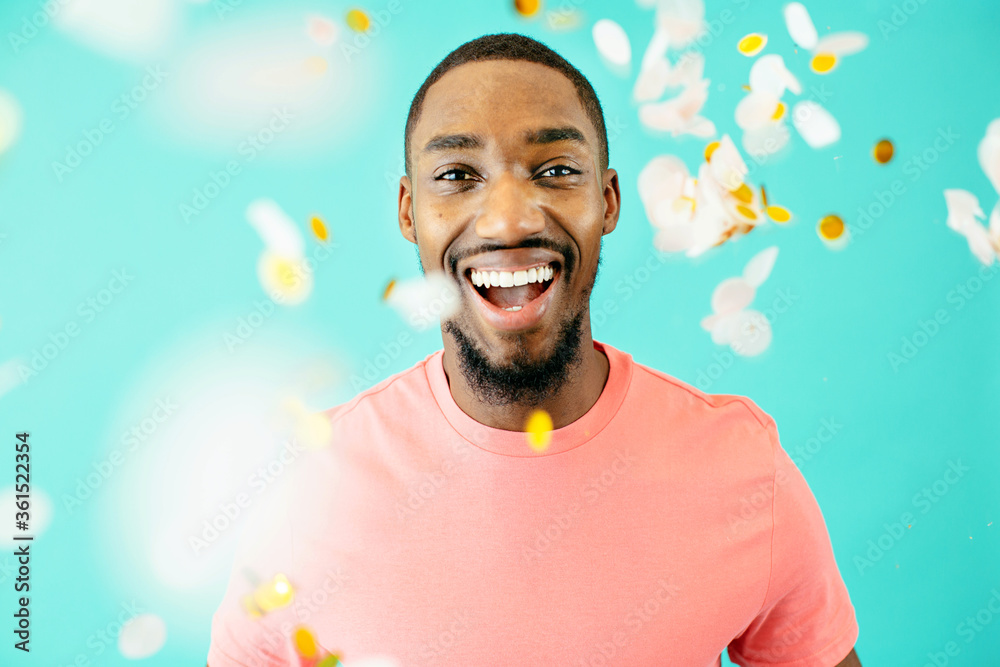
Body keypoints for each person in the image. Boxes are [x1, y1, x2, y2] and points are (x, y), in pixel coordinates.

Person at [207, 32, 862, 666]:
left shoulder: (744, 468)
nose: (509, 218)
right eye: (458, 174)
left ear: (606, 201)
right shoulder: (311, 486)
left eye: (555, 170)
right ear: (410, 211)